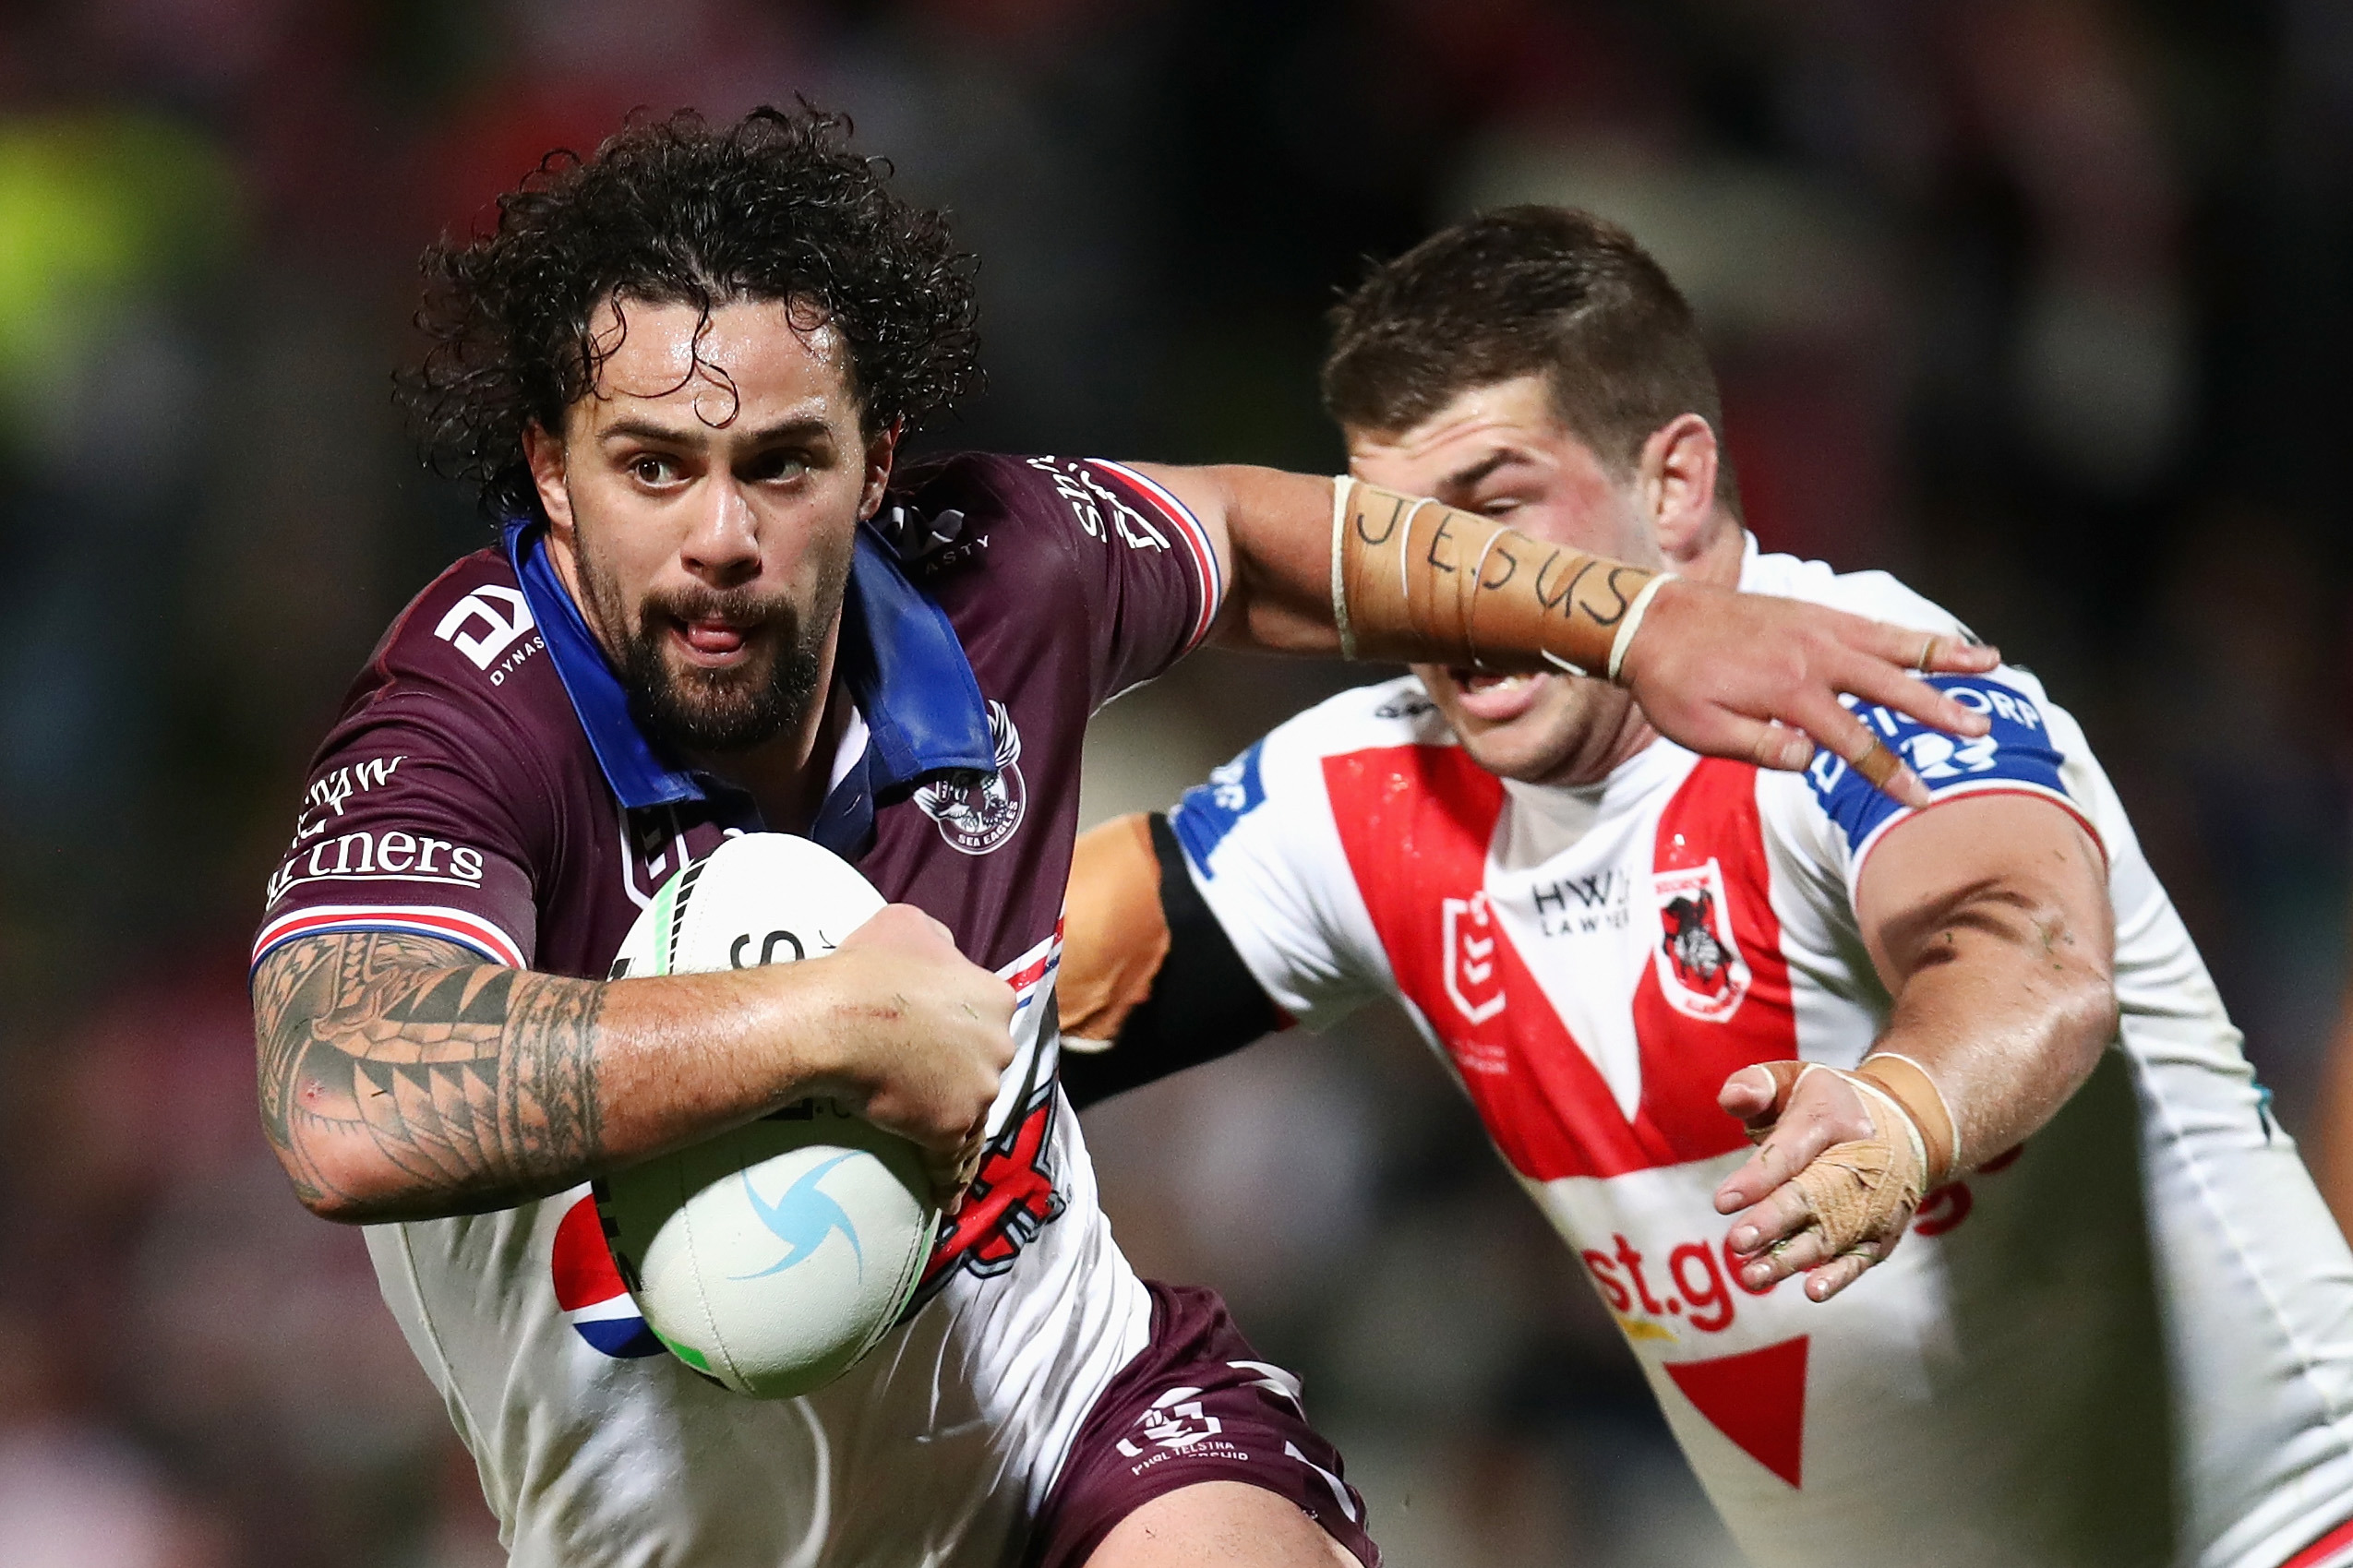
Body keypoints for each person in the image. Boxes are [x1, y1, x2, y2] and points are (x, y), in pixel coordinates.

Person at [246, 114, 1988, 1568]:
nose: (720, 535)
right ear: (551, 471)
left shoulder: (995, 571)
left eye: (784, 465)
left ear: (877, 463)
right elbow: (338, 1097)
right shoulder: (468, 720)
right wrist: (835, 1027)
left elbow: (1259, 537)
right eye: (651, 466)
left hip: (1083, 1443)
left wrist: (1623, 622)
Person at [1059, 207, 2353, 1568]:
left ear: (1672, 482)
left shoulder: (1867, 686)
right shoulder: (1360, 791)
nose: (1449, 598)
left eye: (1492, 517)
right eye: (1400, 546)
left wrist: (1899, 1115)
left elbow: (2025, 949)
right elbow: (997, 998)